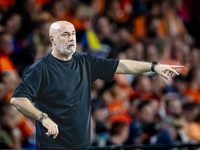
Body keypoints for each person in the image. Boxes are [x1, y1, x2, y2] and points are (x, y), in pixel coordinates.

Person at [10, 21, 182, 150]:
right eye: (64, 34)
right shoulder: (41, 68)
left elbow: (121, 66)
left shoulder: (84, 61)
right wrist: (43, 118)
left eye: (73, 33)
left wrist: (153, 66)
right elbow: (18, 99)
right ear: (52, 39)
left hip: (83, 145)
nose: (71, 38)